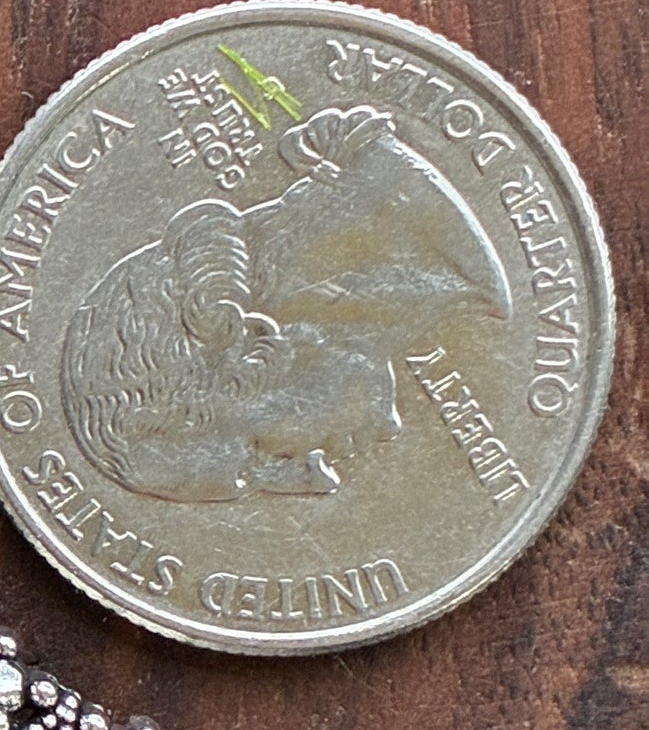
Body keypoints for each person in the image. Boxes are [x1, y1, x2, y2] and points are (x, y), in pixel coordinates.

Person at [60, 104, 511, 502]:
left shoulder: (427, 247)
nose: (316, 475)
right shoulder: (435, 261)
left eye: (260, 450)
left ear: (250, 357)